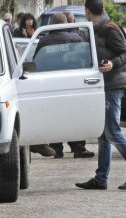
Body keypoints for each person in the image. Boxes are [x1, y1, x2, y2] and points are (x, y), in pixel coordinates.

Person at [75, 0, 126, 190]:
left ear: (87, 11)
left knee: (113, 132)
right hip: (105, 85)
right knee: (103, 135)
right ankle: (101, 178)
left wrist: (112, 63)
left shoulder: (110, 29)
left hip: (114, 85)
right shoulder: (96, 29)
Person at [34, 13, 95, 159]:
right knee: (75, 116)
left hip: (50, 85)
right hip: (74, 83)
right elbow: (87, 60)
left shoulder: (44, 41)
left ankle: (57, 149)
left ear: (52, 24)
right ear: (66, 23)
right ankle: (79, 148)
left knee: (54, 117)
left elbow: (36, 62)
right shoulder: (76, 39)